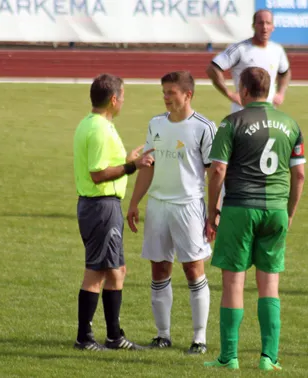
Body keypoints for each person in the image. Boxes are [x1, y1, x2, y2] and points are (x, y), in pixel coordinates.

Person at [203, 67, 305, 371]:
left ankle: (229, 357)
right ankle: (268, 357)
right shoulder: (291, 124)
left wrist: (212, 211)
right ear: (269, 89)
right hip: (275, 209)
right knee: (269, 284)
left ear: (243, 89)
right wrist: (289, 212)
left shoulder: (232, 122)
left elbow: (218, 169)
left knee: (234, 282)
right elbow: (299, 173)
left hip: (239, 208)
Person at [126, 71, 216, 354]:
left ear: (187, 95)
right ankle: (162, 335)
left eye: (171, 92)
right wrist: (134, 202)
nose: (165, 97)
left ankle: (199, 339)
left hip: (189, 206)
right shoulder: (155, 123)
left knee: (193, 269)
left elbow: (216, 174)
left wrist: (215, 213)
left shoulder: (204, 127)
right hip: (158, 206)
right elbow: (148, 166)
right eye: (163, 92)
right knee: (159, 268)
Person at [73, 73, 154, 351]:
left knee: (117, 271)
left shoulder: (92, 123)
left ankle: (114, 336)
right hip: (101, 207)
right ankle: (84, 338)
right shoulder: (98, 129)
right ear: (113, 99)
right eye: (123, 97)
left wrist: (127, 161)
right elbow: (97, 174)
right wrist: (134, 166)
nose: (124, 102)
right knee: (97, 272)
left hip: (103, 207)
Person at [206, 9, 291, 113]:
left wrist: (281, 93)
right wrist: (229, 94)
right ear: (253, 26)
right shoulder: (240, 49)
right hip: (243, 112)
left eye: (268, 23)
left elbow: (285, 72)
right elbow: (213, 68)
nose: (264, 27)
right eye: (260, 23)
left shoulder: (277, 50)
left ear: (273, 27)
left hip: (269, 111)